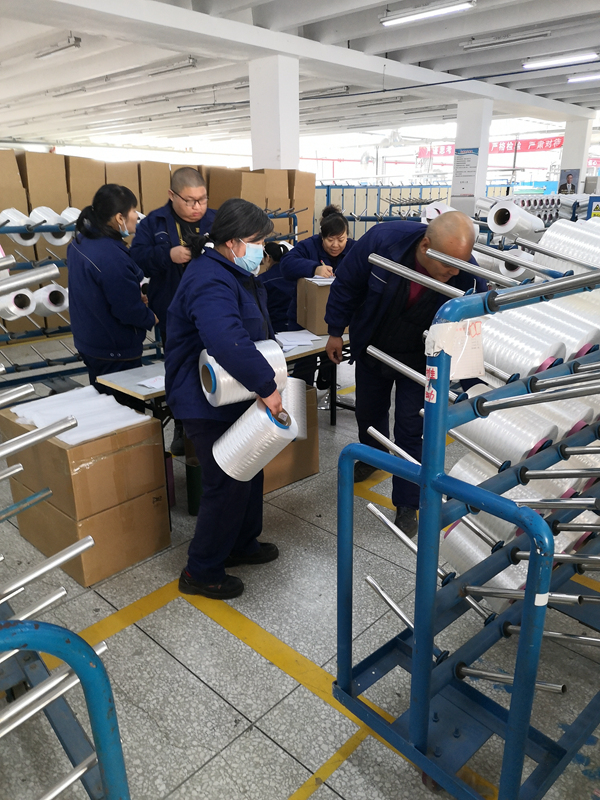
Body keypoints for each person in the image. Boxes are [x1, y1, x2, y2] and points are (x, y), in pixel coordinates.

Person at [324, 211, 487, 537]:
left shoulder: (466, 275)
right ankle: (372, 456)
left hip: (420, 360)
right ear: (426, 246)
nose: (455, 272)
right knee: (368, 412)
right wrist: (335, 331)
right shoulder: (383, 242)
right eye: (449, 265)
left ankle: (408, 502)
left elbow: (472, 331)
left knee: (412, 429)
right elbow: (347, 284)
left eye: (461, 264)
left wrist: (472, 388)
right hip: (374, 344)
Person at [165, 198, 281, 600]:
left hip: (235, 392)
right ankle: (201, 571)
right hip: (204, 396)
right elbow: (226, 339)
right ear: (233, 242)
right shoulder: (209, 279)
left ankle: (241, 544)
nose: (262, 250)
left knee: (250, 468)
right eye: (257, 242)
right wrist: (267, 386)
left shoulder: (235, 272)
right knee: (226, 481)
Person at [130, 167, 216, 454]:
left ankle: (217, 420)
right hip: (173, 311)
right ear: (172, 195)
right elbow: (138, 258)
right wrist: (167, 255)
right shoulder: (153, 223)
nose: (197, 207)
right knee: (180, 369)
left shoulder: (217, 219)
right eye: (189, 201)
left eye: (202, 200)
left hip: (213, 307)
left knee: (216, 363)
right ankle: (183, 426)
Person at [67, 184, 157, 408]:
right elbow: (127, 310)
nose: (136, 216)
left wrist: (130, 294)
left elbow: (98, 290)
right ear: (119, 217)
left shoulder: (81, 241)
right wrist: (151, 317)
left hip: (90, 340)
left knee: (103, 400)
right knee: (124, 410)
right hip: (113, 350)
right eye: (133, 210)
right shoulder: (111, 257)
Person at [280, 205, 355, 386]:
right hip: (305, 320)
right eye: (330, 240)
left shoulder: (355, 249)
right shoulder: (309, 246)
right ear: (322, 237)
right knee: (305, 365)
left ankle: (326, 380)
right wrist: (314, 268)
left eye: (341, 239)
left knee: (332, 358)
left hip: (339, 319)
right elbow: (286, 265)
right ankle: (304, 395)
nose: (336, 245)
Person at [256, 240, 295, 333]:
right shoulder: (294, 275)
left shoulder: (262, 279)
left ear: (268, 258)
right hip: (296, 324)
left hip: (274, 326)